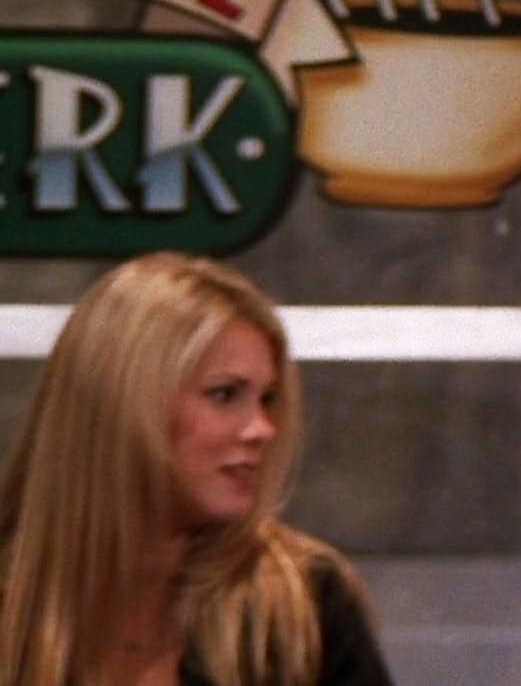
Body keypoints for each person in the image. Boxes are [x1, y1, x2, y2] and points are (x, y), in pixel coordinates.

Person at [0, 252, 393, 686]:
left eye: (266, 399)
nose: (263, 429)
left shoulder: (306, 606)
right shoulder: (13, 605)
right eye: (225, 395)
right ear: (124, 404)